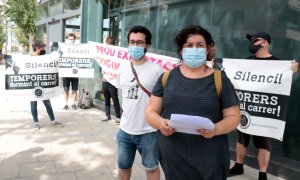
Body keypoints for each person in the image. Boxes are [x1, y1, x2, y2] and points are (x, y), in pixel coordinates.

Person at [144, 25, 241, 180]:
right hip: (173, 157)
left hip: (210, 158)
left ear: (207, 49)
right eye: (189, 45)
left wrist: (215, 129)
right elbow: (150, 112)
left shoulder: (220, 79)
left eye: (200, 45)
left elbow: (234, 116)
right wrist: (160, 123)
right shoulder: (166, 77)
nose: (194, 49)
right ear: (181, 50)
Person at [229, 32, 299, 180]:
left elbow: (283, 81)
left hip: (265, 111)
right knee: (241, 139)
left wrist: (292, 70)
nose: (252, 42)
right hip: (246, 108)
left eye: (256, 40)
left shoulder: (277, 64)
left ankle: (262, 173)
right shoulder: (247, 61)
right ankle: (238, 165)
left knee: (264, 143)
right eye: (251, 40)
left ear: (265, 42)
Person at [116, 25, 164, 180]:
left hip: (149, 132)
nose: (135, 46)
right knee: (123, 168)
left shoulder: (157, 71)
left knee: (151, 169)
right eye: (132, 42)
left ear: (147, 46)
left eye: (140, 42)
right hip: (125, 130)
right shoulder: (122, 68)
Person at [30, 41, 64, 131]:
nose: (44, 50)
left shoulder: (44, 58)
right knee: (33, 105)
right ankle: (36, 123)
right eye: (42, 48)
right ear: (37, 48)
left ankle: (53, 121)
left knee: (47, 104)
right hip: (32, 86)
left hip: (43, 85)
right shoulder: (29, 59)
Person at [101, 36, 121, 123]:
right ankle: (108, 115)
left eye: (110, 43)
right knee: (106, 99)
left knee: (115, 99)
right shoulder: (104, 54)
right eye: (108, 43)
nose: (109, 45)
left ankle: (118, 117)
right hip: (105, 80)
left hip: (113, 81)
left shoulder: (116, 54)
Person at [62, 33, 79, 110]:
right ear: (67, 39)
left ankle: (73, 104)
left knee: (74, 89)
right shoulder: (64, 47)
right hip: (66, 72)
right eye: (69, 39)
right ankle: (65, 104)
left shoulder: (78, 48)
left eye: (72, 39)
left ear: (75, 39)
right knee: (66, 89)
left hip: (75, 72)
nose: (71, 40)